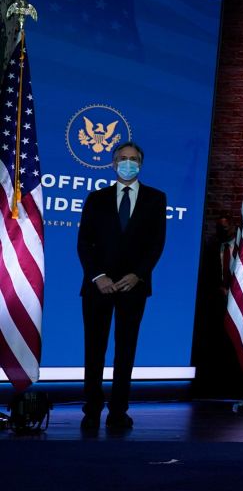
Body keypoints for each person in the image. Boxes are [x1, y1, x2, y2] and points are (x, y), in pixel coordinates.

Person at [77, 141, 167, 431]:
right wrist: (97, 276)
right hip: (97, 287)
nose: (128, 163)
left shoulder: (156, 198)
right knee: (94, 349)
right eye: (122, 158)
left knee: (125, 351)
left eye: (133, 159)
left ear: (140, 163)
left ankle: (118, 411)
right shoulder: (96, 198)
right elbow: (84, 243)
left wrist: (138, 275)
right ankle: (91, 410)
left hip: (134, 286)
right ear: (113, 164)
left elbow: (156, 244)